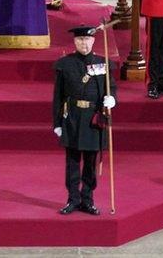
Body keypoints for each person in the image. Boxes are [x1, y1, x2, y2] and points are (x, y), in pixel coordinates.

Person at [52, 25, 116, 215]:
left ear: (93, 41)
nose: (84, 43)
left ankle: (87, 199)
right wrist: (57, 123)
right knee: (72, 163)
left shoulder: (102, 64)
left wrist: (112, 99)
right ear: (75, 42)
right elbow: (58, 97)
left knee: (90, 163)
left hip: (93, 121)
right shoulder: (65, 64)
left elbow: (111, 88)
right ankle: (73, 199)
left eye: (87, 40)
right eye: (80, 40)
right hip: (72, 118)